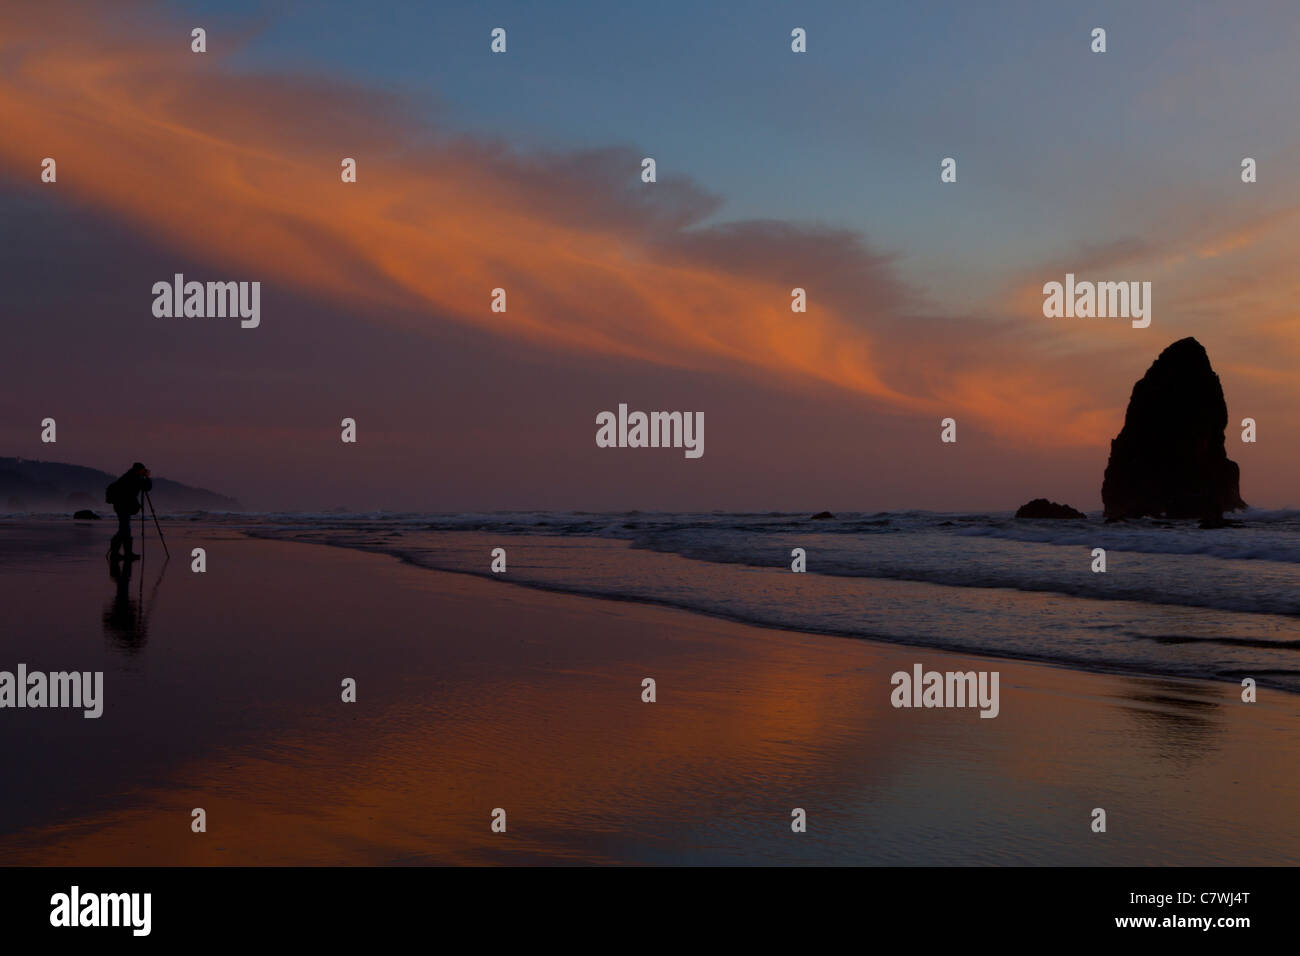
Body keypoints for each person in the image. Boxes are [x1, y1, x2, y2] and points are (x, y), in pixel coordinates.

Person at [106, 462, 152, 561]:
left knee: (125, 529)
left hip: (121, 506)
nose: (144, 472)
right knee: (124, 529)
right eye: (143, 470)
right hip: (123, 507)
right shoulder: (134, 478)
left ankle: (123, 553)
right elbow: (147, 488)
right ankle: (117, 553)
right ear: (139, 470)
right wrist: (147, 477)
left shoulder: (129, 476)